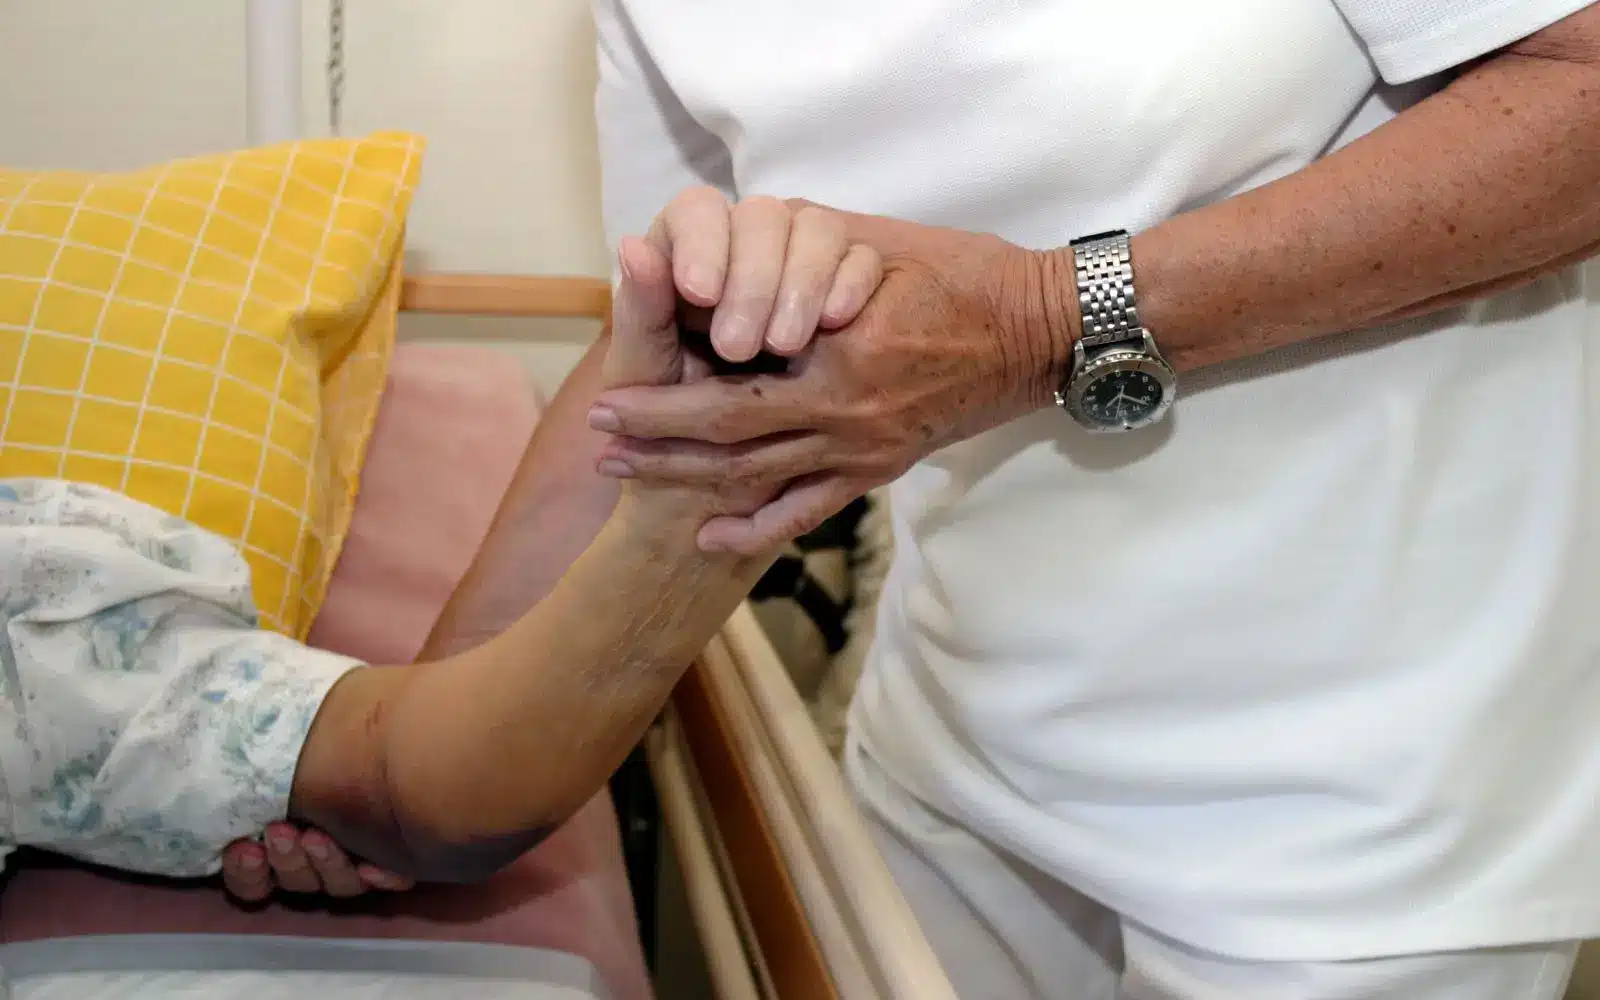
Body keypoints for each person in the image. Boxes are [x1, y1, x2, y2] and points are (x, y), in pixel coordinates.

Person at [230, 4, 1600, 998]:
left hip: (1374, 770)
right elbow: (666, 367)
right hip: (968, 716)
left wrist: (1036, 318)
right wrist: (407, 765)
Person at [0, 231, 879, 890]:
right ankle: (695, 455)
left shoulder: (44, 613)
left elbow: (416, 779)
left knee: (404, 772)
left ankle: (696, 453)